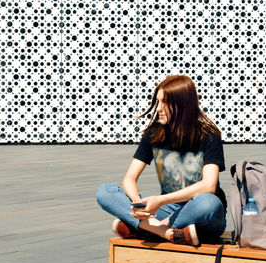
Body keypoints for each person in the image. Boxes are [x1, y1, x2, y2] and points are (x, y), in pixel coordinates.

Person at [96, 75, 227, 246]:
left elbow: (208, 186)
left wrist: (160, 201)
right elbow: (129, 178)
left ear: (183, 105)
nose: (158, 109)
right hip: (167, 211)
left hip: (201, 214)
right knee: (105, 191)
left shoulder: (209, 135)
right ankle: (166, 232)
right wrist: (138, 205)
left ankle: (146, 229)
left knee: (210, 203)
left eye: (165, 102)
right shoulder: (154, 133)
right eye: (157, 102)